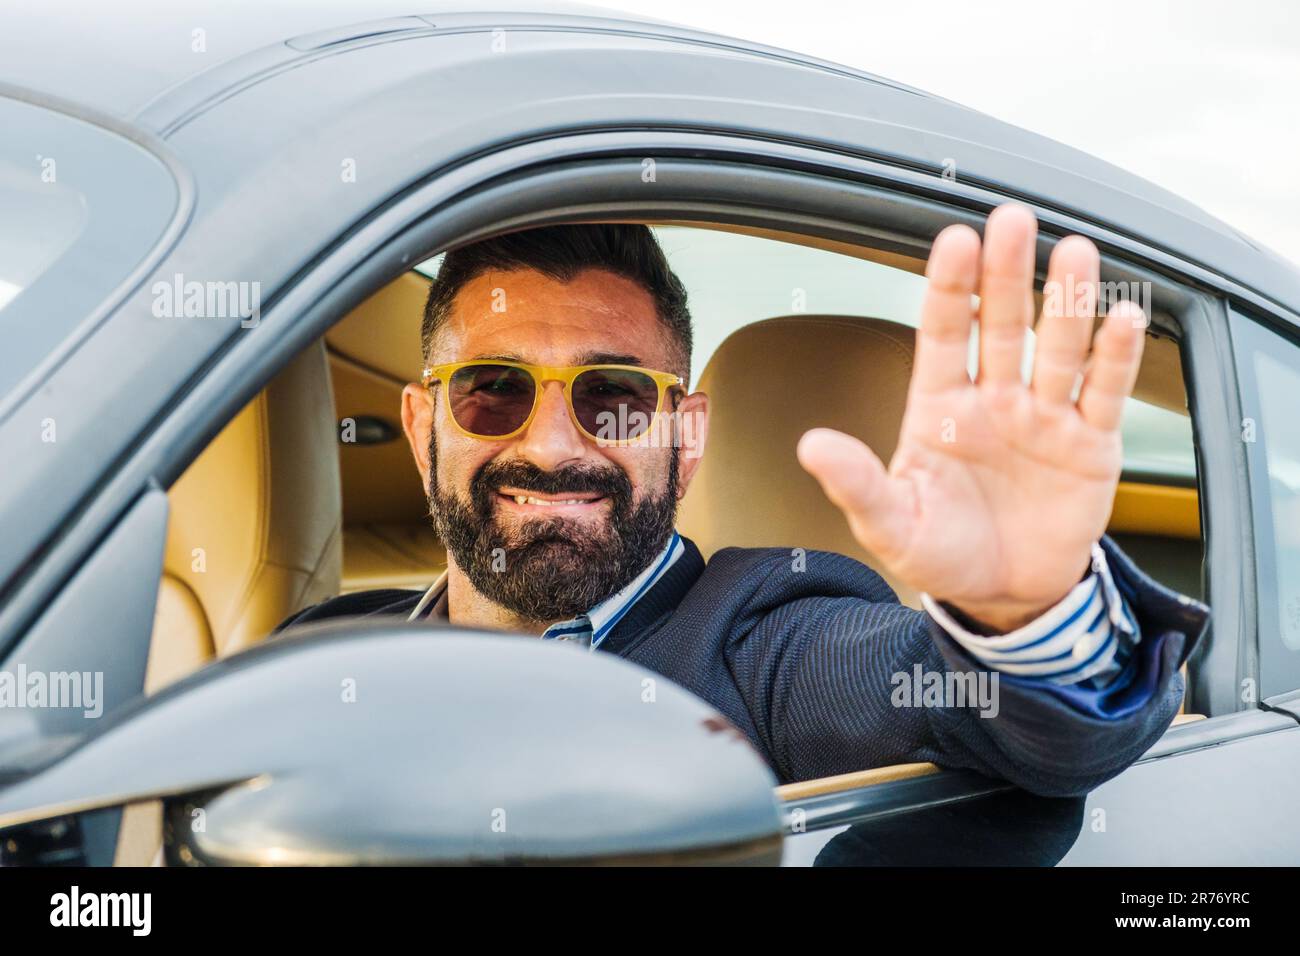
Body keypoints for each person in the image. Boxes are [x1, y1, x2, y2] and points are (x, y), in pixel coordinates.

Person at [280, 204, 1207, 794]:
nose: (555, 444)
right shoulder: (317, 657)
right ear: (419, 425)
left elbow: (1001, 721)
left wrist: (1020, 615)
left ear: (687, 439)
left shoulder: (766, 640)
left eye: (615, 397)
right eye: (494, 390)